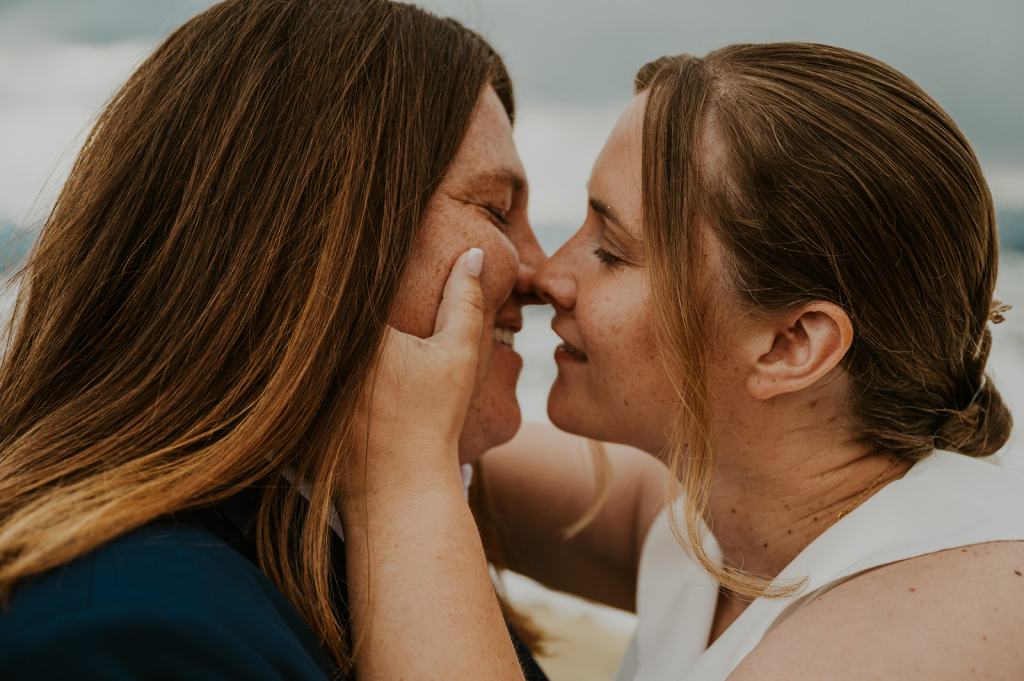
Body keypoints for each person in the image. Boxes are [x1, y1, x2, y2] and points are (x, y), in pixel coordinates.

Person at [351, 43, 1024, 680]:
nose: (548, 274)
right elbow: (437, 454)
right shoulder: (726, 527)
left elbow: (410, 472)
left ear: (790, 345)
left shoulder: (933, 624)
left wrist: (401, 480)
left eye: (611, 251)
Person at [0, 1, 548, 679]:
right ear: (333, 237)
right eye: (496, 209)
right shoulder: (134, 632)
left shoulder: (354, 525)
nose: (540, 272)